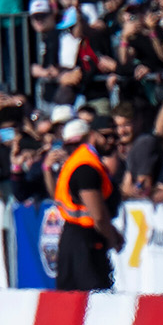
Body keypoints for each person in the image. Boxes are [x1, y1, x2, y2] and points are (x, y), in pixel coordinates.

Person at [52, 114, 123, 291]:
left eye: (115, 136)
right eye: (106, 136)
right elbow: (97, 215)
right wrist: (112, 237)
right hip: (84, 244)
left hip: (77, 239)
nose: (112, 141)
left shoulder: (84, 160)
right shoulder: (86, 167)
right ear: (92, 135)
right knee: (94, 303)